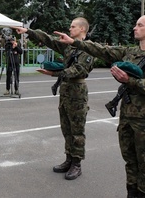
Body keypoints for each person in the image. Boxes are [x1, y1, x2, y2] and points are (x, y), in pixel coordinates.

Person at [54, 15, 145, 197]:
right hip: (127, 117)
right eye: (135, 24)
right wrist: (75, 42)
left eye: (140, 25)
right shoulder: (129, 52)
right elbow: (101, 50)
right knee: (130, 162)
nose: (135, 28)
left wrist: (129, 80)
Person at [15, 17, 94, 180]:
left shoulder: (88, 49)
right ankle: (69, 159)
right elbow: (49, 40)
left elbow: (79, 70)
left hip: (77, 91)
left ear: (82, 30)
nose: (70, 29)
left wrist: (55, 74)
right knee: (66, 127)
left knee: (77, 130)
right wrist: (28, 31)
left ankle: (77, 164)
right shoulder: (69, 47)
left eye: (73, 27)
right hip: (65, 90)